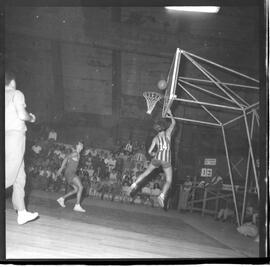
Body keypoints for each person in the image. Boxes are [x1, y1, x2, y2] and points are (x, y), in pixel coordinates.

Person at [5, 71, 39, 225]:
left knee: (20, 176)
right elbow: (22, 115)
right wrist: (31, 117)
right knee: (9, 175)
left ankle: (22, 212)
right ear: (12, 81)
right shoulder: (16, 93)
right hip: (14, 136)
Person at [128, 109, 176, 208]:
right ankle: (162, 196)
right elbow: (174, 123)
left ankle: (134, 184)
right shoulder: (167, 134)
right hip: (166, 160)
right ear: (163, 127)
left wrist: (153, 152)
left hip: (157, 158)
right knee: (169, 180)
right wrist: (171, 114)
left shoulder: (155, 138)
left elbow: (149, 152)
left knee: (146, 173)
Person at [56, 141, 86, 212]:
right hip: (70, 173)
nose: (81, 146)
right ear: (76, 146)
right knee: (81, 187)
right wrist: (61, 168)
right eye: (79, 145)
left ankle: (62, 199)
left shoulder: (78, 154)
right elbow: (66, 158)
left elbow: (72, 163)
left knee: (76, 189)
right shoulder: (75, 153)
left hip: (70, 173)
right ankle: (77, 205)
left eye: (82, 145)